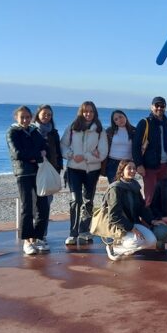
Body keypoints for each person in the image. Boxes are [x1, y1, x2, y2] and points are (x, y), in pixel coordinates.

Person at [60, 101, 108, 246]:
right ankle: (73, 233)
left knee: (88, 200)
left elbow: (103, 153)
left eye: (91, 111)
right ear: (81, 112)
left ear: (95, 113)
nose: (88, 114)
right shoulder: (73, 127)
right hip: (74, 169)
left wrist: (86, 156)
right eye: (85, 111)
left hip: (92, 171)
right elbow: (63, 145)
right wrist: (71, 154)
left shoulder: (100, 130)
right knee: (76, 200)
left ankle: (84, 230)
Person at [7, 105, 50, 255]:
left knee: (42, 206)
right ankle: (27, 240)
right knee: (27, 207)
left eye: (27, 117)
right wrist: (36, 155)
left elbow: (44, 147)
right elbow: (17, 153)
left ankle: (38, 237)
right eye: (22, 117)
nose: (25, 119)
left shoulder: (34, 131)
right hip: (23, 173)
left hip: (38, 173)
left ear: (31, 117)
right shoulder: (12, 132)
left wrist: (34, 155)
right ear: (16, 118)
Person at [104, 160, 158, 260]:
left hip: (133, 223)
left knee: (152, 240)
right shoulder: (115, 189)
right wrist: (131, 228)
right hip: (118, 226)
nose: (132, 170)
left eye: (134, 168)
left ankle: (124, 248)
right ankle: (113, 248)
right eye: (129, 168)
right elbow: (114, 216)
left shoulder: (134, 186)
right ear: (121, 171)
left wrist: (152, 220)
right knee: (137, 241)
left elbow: (142, 208)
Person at [133, 96, 167, 205]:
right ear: (152, 107)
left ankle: (162, 219)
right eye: (157, 105)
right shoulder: (145, 123)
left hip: (166, 166)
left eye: (162, 106)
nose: (159, 108)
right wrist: (139, 164)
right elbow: (136, 145)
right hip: (150, 167)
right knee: (150, 196)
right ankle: (148, 221)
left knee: (164, 195)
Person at [33, 104, 63, 245]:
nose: (46, 117)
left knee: (46, 204)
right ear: (38, 114)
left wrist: (59, 168)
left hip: (50, 171)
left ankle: (41, 234)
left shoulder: (53, 132)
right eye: (44, 114)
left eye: (49, 115)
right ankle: (30, 235)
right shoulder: (31, 130)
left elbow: (57, 152)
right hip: (33, 172)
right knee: (33, 205)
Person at [104, 110, 135, 183]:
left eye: (120, 117)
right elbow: (103, 144)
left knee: (126, 185)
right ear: (114, 122)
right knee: (114, 186)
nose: (119, 120)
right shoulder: (110, 131)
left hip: (127, 163)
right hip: (112, 163)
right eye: (116, 119)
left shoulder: (134, 131)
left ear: (125, 117)